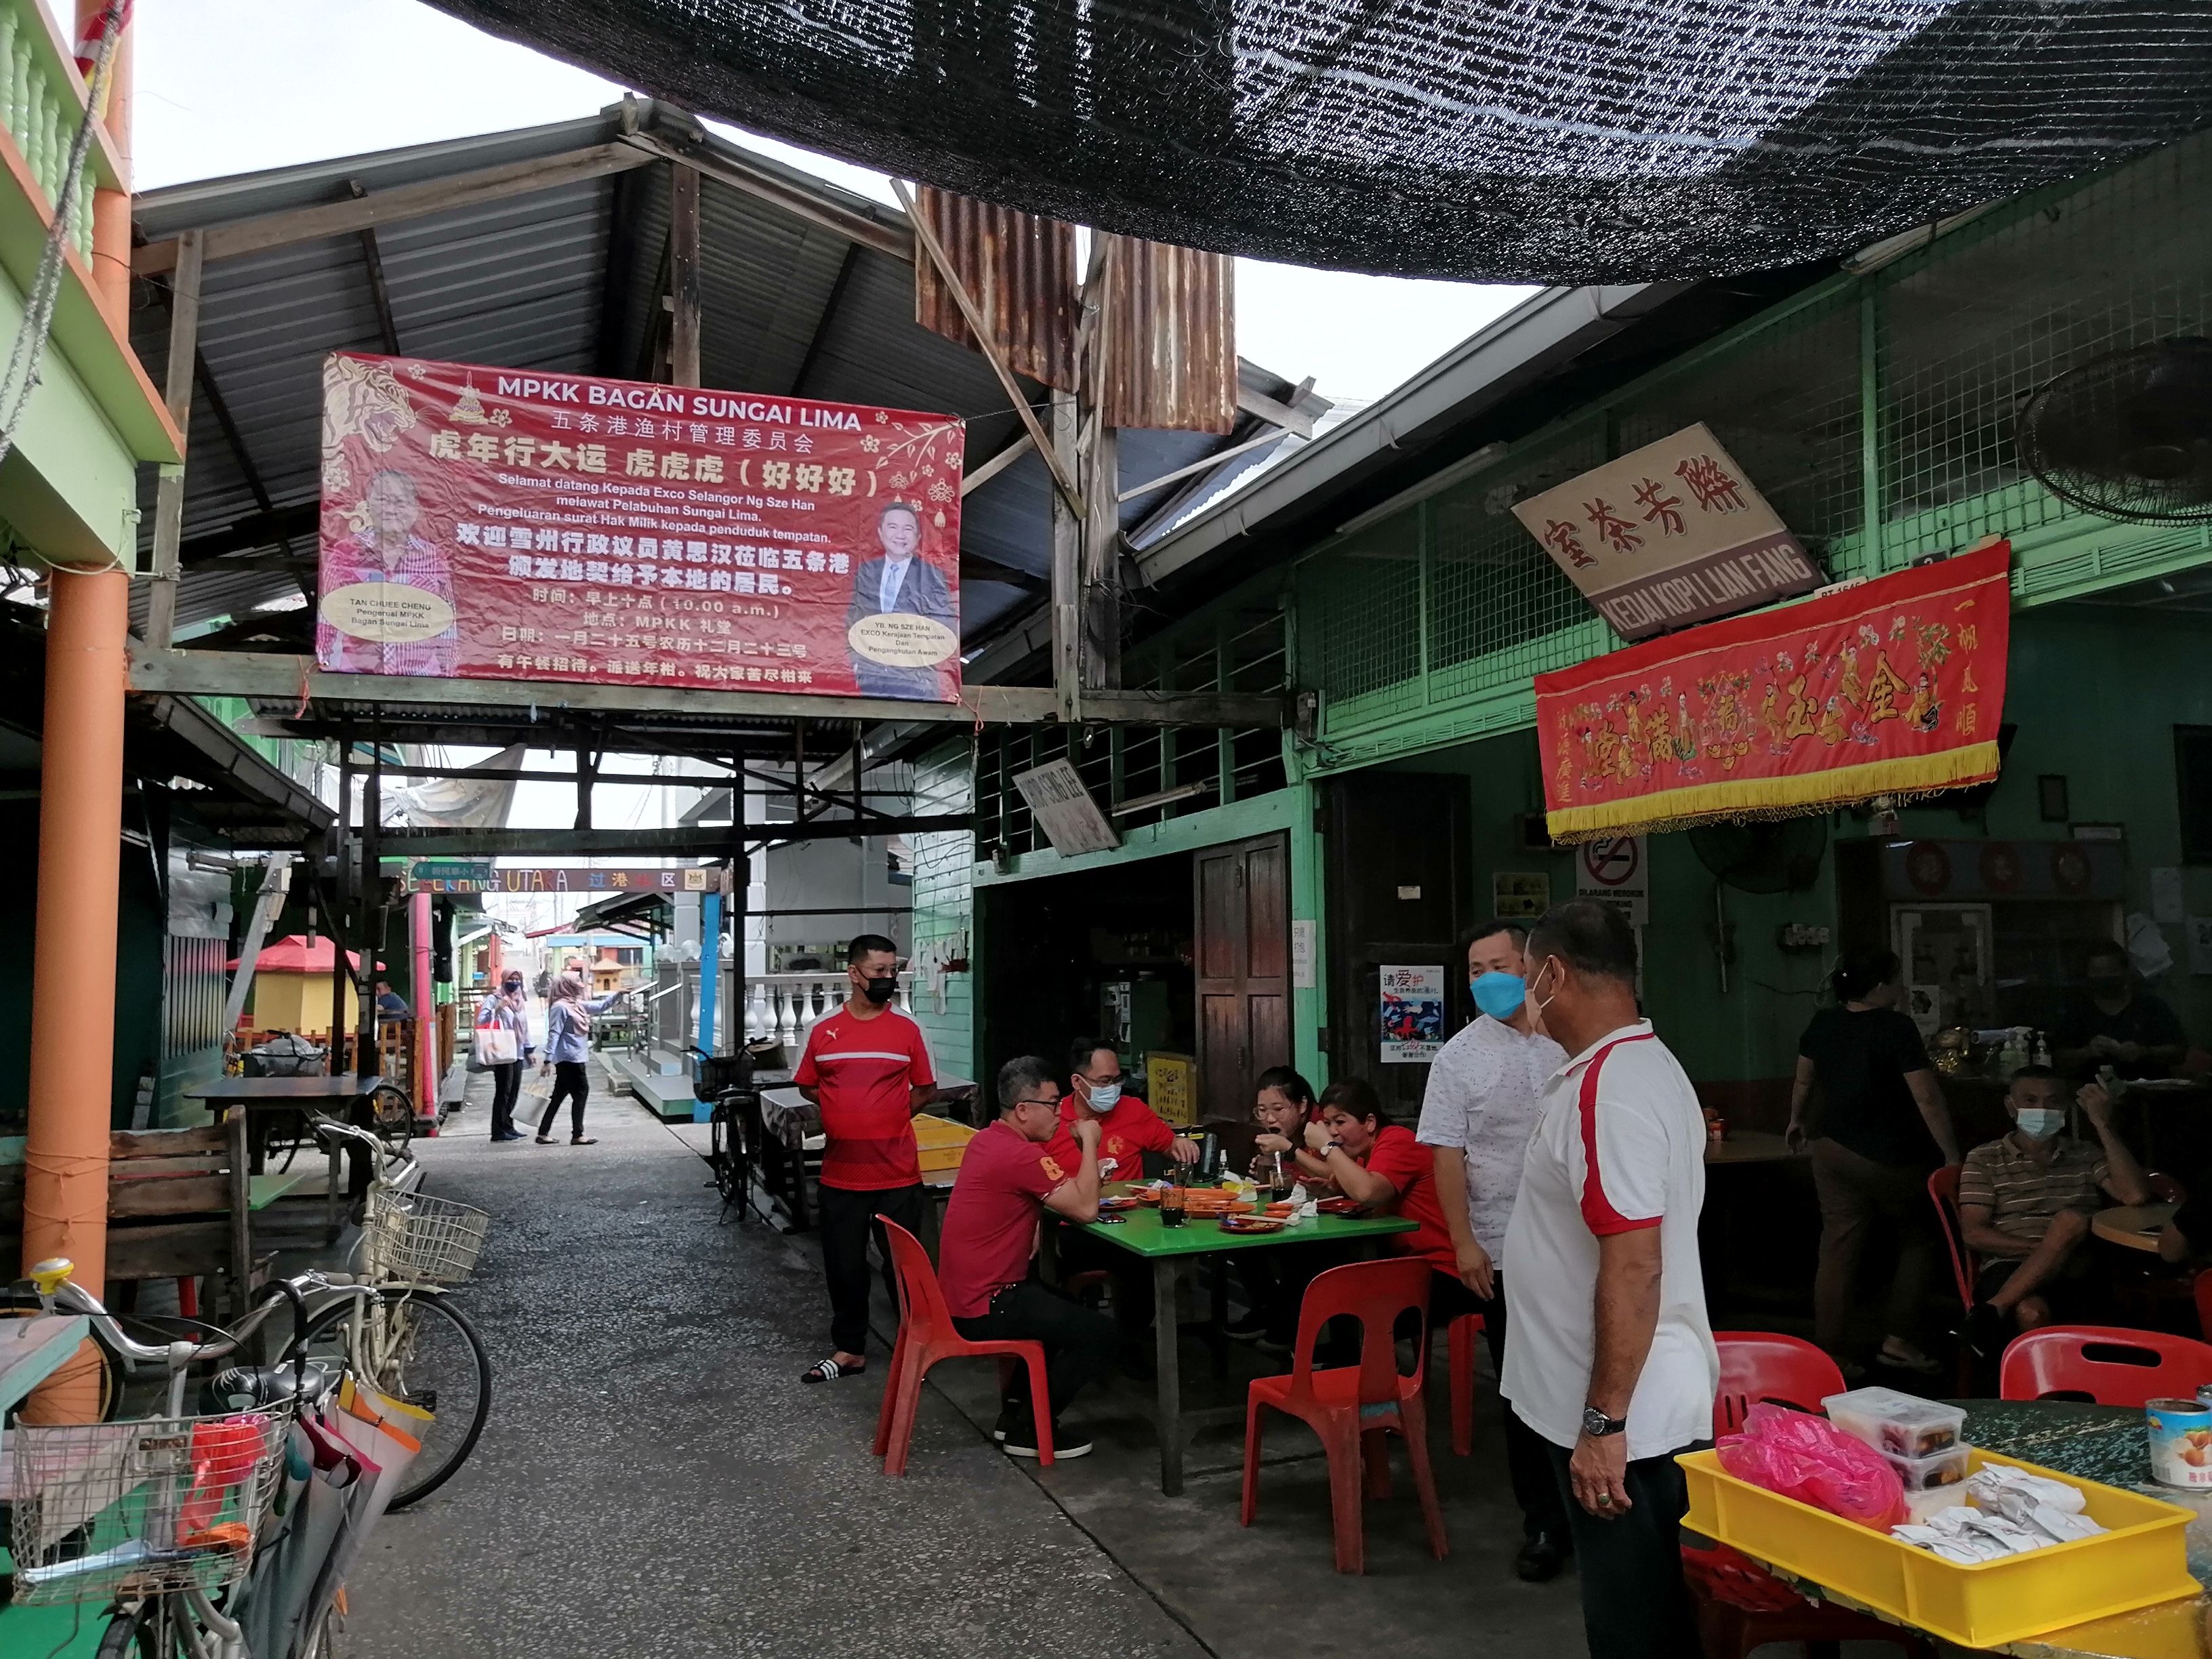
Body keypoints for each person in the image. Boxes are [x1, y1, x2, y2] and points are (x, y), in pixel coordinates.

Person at [1501, 901, 1714, 1659]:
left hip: (1626, 1417)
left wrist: (1603, 1426)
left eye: (1526, 977)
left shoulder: (1611, 1090)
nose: (1524, 995)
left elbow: (1634, 1263)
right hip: (1625, 1403)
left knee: (1635, 1628)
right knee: (1647, 1610)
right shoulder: (1634, 1068)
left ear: (1554, 973)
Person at [1414, 917, 1574, 1582]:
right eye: (1475, 970)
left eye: (1499, 965)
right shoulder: (1457, 1057)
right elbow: (1447, 1157)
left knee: (1583, 1382)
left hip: (1577, 1244)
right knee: (1523, 1391)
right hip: (1503, 1249)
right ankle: (1542, 1521)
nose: (1487, 980)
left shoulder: (1571, 1043)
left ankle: (1596, 1505)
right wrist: (1464, 1243)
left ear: (1535, 967)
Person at [1787, 948, 1960, 1376]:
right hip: (1887, 1156)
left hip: (1829, 1150)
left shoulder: (1823, 1022)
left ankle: (1831, 1355)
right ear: (1881, 986)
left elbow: (1804, 1078)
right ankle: (1899, 1343)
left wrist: (1794, 1121)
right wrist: (1952, 1153)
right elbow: (1926, 1096)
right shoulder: (1896, 1027)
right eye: (1897, 979)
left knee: (1838, 1247)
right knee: (1920, 1236)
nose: (1902, 988)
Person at [938, 1055, 1118, 1459]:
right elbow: (1086, 1210)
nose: (1060, 1112)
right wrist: (1089, 1142)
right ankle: (1033, 1430)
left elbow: (1054, 1192)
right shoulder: (1021, 1156)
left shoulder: (988, 1140)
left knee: (1061, 1305)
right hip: (987, 1302)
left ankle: (1016, 1417)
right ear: (1023, 1110)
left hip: (966, 1293)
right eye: (1053, 1104)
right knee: (1098, 1334)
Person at [794, 934, 938, 1385]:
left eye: (892, 971)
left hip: (898, 1174)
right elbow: (808, 1085)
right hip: (841, 1175)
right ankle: (850, 1349)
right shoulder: (821, 1030)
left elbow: (925, 1089)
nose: (887, 979)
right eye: (878, 972)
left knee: (904, 1268)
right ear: (853, 974)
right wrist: (846, 1115)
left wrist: (888, 1117)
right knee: (845, 1267)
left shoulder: (909, 1031)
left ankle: (919, 1349)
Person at [1960, 1067, 2150, 1343]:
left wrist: (2103, 1125)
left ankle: (1990, 1313)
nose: (2042, 1109)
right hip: (2009, 1264)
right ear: (2011, 1107)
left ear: (2066, 1107)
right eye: (2030, 1100)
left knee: (2072, 1220)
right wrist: (2052, 1248)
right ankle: (2048, 1386)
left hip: (2080, 1265)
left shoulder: (2085, 1152)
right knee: (2031, 1312)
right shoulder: (1984, 1158)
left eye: (2052, 1102)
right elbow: (1973, 1234)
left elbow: (2135, 1195)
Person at [1050, 1038, 1199, 1372]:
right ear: (1078, 1082)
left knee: (1146, 1260)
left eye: (1118, 1080)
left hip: (1134, 1223)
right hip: (1074, 1227)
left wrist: (1182, 1145)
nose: (1113, 1089)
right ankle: (1100, 1342)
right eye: (1104, 1082)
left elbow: (1171, 1143)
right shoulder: (1053, 1120)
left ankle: (1125, 1340)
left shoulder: (1133, 1111)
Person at [315, 468, 458, 676]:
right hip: (354, 675)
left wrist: (449, 671)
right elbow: (327, 615)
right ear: (368, 505)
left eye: (400, 503)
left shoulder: (432, 557)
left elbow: (447, 622)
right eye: (383, 500)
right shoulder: (345, 553)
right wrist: (325, 663)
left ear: (415, 509)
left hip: (421, 678)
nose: (391, 510)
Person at [1227, 1067, 1325, 1347]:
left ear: (1303, 1105)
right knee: (1239, 1235)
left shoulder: (1322, 1127)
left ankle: (1286, 1321)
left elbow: (1331, 1174)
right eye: (1262, 1111)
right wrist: (1268, 1171)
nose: (1269, 1118)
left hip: (1348, 1223)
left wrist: (1290, 1153)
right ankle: (1271, 1311)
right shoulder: (1286, 1133)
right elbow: (1294, 1181)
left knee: (1301, 1251)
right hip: (1305, 1215)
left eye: (1279, 1109)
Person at [845, 499, 958, 699]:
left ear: (918, 536)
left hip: (915, 682)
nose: (900, 535)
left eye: (908, 529)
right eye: (893, 527)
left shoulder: (931, 576)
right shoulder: (867, 571)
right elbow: (853, 618)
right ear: (880, 532)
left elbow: (945, 624)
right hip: (870, 679)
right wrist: (855, 662)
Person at [2054, 941, 2186, 1080]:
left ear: (2125, 971)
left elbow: (2179, 1053)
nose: (2104, 977)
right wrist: (2087, 1052)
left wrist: (2144, 1052)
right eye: (2097, 972)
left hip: (2148, 1094)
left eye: (2111, 971)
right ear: (2087, 974)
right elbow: (2059, 1058)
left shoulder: (2152, 1007)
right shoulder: (2078, 1012)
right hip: (2092, 1096)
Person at [536, 973, 621, 1145]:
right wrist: (547, 1060)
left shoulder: (576, 1004)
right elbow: (554, 1033)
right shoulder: (560, 1007)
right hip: (569, 1058)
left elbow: (599, 1006)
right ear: (567, 986)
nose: (580, 985)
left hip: (576, 1056)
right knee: (582, 1092)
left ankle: (543, 1133)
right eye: (577, 982)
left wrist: (618, 994)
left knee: (559, 1095)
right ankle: (577, 1134)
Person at [475, 969, 533, 1143]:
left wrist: (529, 1050)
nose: (514, 982)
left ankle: (509, 1126)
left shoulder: (520, 1000)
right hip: (503, 1051)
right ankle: (498, 1130)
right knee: (503, 1092)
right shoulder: (495, 998)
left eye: (517, 979)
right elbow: (481, 1020)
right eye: (511, 979)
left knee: (514, 1091)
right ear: (504, 980)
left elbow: (525, 1026)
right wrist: (497, 1009)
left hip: (518, 1051)